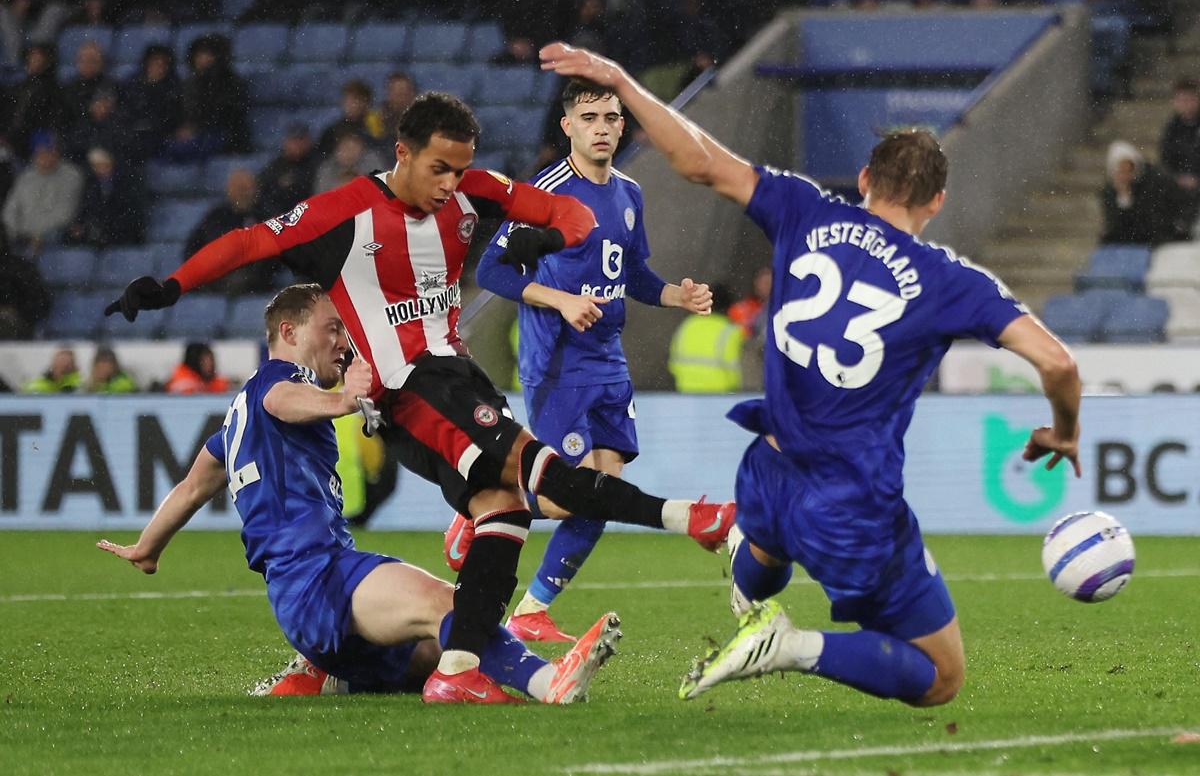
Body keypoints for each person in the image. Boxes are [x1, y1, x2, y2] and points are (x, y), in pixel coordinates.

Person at [103, 91, 735, 704]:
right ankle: (693, 519)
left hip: (453, 376)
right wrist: (171, 286)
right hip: (409, 386)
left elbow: (546, 207)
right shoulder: (344, 210)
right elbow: (250, 242)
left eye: (460, 169)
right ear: (402, 152)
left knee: (505, 507)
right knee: (543, 472)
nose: (449, 185)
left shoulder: (469, 188)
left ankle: (460, 668)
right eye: (438, 169)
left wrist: (567, 228)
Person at [541, 41, 1082, 707]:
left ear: (862, 179)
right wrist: (1063, 428)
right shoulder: (950, 281)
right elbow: (1058, 361)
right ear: (936, 201)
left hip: (765, 469)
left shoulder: (804, 207)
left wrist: (623, 78)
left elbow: (698, 161)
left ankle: (753, 589)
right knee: (940, 675)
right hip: (849, 501)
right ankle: (792, 644)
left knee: (763, 560)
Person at [98, 285, 620, 703]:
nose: (342, 340)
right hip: (318, 577)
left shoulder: (236, 420)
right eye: (331, 328)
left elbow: (192, 488)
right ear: (288, 330)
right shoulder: (275, 384)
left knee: (436, 652)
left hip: (308, 596)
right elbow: (285, 400)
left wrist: (147, 549)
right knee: (453, 605)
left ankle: (324, 676)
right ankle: (549, 681)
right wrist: (343, 399)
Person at [469, 78, 714, 642]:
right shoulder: (546, 194)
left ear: (622, 126)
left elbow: (631, 274)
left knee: (605, 487)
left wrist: (676, 294)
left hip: (608, 360)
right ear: (568, 127)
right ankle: (479, 504)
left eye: (610, 117)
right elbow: (492, 273)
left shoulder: (629, 194)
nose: (602, 127)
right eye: (590, 118)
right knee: (562, 496)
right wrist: (560, 299)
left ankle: (532, 609)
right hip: (557, 360)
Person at [2, 132, 85, 253]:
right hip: (22, 238)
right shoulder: (26, 176)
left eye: (49, 151)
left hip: (53, 239)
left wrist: (36, 234)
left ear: (57, 152)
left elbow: (65, 214)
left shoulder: (71, 175)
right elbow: (10, 211)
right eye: (40, 152)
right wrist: (14, 234)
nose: (45, 157)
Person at [1101, 140, 1189, 246]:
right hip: (1130, 241)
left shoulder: (1154, 180)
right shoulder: (1110, 192)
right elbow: (1116, 225)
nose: (1125, 176)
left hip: (1157, 237)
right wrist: (1123, 197)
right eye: (1121, 172)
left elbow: (1150, 217)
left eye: (1128, 171)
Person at [667, 283, 743, 393]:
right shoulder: (730, 331)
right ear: (729, 306)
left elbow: (673, 362)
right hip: (720, 395)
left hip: (686, 393)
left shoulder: (688, 325)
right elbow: (736, 371)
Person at [1158, 78, 1200, 225]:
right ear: (1175, 102)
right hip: (1177, 186)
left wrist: (1196, 178)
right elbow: (1166, 161)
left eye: (1189, 99)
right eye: (1181, 100)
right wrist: (1178, 178)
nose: (1186, 104)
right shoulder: (1170, 130)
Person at [166, 341, 230, 394]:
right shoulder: (183, 384)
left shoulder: (211, 382)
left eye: (211, 360)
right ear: (195, 361)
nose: (210, 365)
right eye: (205, 361)